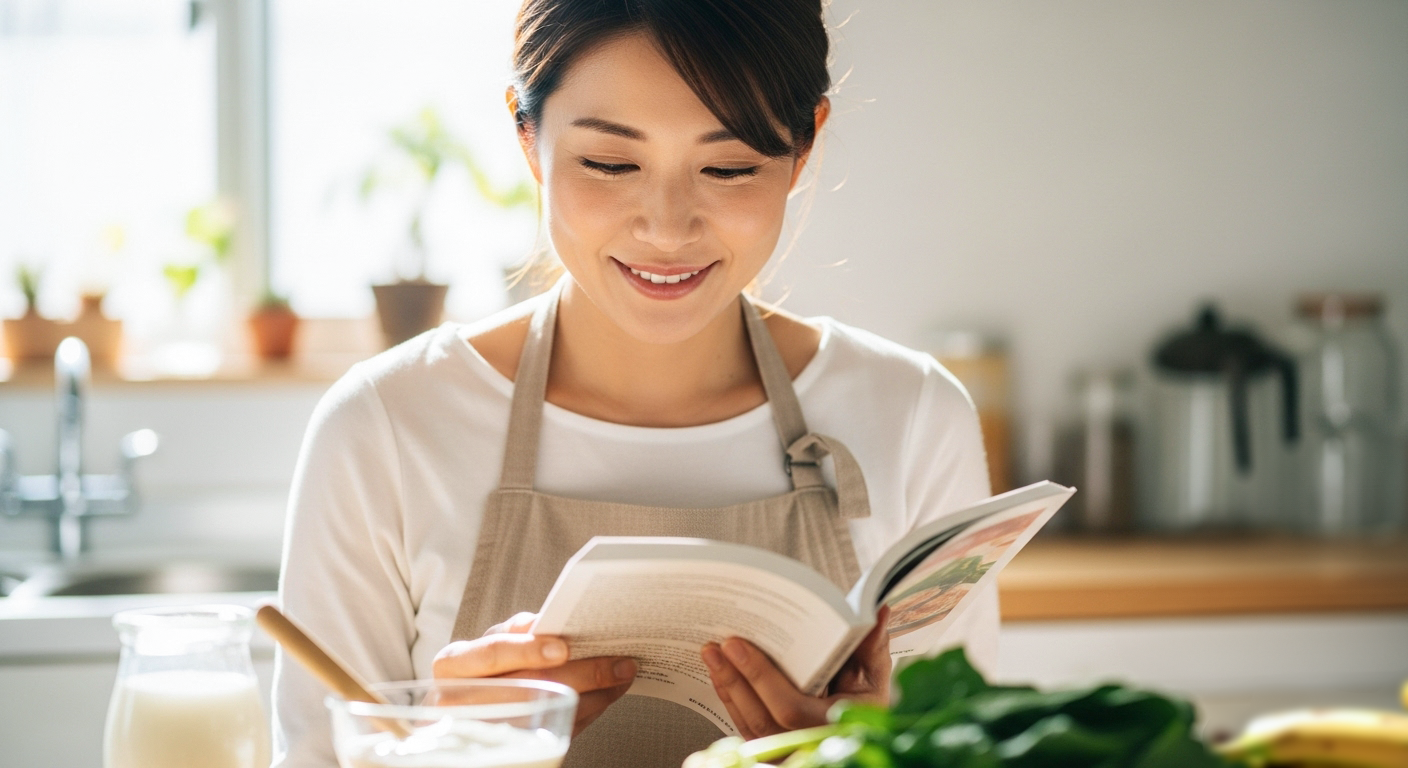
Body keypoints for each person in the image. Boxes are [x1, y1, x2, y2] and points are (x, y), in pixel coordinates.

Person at [272, 1, 997, 766]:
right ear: (527, 136)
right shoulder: (386, 425)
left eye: (728, 168)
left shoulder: (914, 416)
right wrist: (440, 754)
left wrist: (875, 753)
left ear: (804, 147)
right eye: (610, 164)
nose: (667, 227)